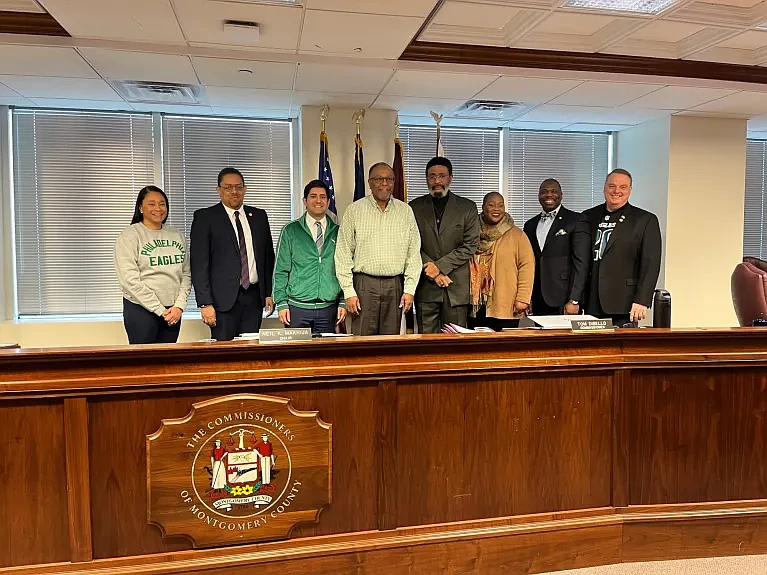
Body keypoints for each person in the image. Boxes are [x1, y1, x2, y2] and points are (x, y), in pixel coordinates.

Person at [335, 162, 422, 336]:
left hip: (395, 286)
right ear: (369, 182)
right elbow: (343, 253)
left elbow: (413, 253)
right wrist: (349, 291)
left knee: (389, 345)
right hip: (364, 286)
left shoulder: (406, 211)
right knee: (362, 343)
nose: (384, 183)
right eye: (379, 179)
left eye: (389, 179)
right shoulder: (354, 210)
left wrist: (409, 289)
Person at [190, 167, 275, 341]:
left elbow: (267, 258)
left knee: (251, 352)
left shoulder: (259, 216)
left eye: (238, 187)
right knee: (225, 355)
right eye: (228, 187)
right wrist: (205, 303)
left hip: (253, 298)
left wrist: (268, 293)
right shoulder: (205, 218)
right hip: (222, 302)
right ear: (218, 190)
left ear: (245, 189)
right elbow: (199, 264)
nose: (234, 192)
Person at [583, 168, 662, 326]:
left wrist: (642, 300)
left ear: (630, 190)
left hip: (624, 305)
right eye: (611, 186)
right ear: (604, 188)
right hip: (591, 303)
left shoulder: (645, 220)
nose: (616, 191)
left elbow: (651, 264)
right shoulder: (587, 217)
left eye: (623, 187)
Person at [409, 157, 480, 333]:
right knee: (426, 344)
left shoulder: (467, 207)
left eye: (442, 176)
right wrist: (432, 271)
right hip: (426, 287)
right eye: (432, 176)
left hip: (455, 287)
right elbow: (411, 244)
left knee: (456, 344)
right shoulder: (413, 207)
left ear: (451, 178)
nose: (437, 181)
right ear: (426, 179)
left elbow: (470, 245)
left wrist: (439, 267)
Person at [115, 185, 191, 344]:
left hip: (172, 311)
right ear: (140, 207)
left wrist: (179, 306)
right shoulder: (129, 235)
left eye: (162, 204)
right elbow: (130, 280)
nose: (158, 208)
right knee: (144, 364)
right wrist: (159, 310)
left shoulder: (176, 235)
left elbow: (186, 274)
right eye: (151, 204)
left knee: (167, 363)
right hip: (141, 310)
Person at [273, 180, 346, 334]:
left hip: (328, 309)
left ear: (328, 201)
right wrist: (281, 303)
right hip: (296, 309)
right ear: (305, 201)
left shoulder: (339, 232)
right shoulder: (290, 231)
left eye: (322, 197)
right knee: (296, 357)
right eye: (313, 196)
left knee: (326, 357)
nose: (318, 201)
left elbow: (345, 269)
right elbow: (280, 270)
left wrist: (343, 302)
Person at [523, 178, 591, 316]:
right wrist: (527, 297)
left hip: (564, 299)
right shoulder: (530, 225)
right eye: (544, 192)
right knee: (539, 337)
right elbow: (527, 263)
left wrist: (574, 300)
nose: (549, 195)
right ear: (538, 196)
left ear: (561, 195)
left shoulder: (576, 220)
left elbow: (582, 263)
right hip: (537, 298)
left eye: (554, 191)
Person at [469, 192, 534, 330]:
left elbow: (527, 267)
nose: (496, 209)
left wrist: (522, 298)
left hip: (505, 304)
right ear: (483, 207)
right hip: (474, 306)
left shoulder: (518, 235)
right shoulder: (470, 232)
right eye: (491, 205)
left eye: (500, 205)